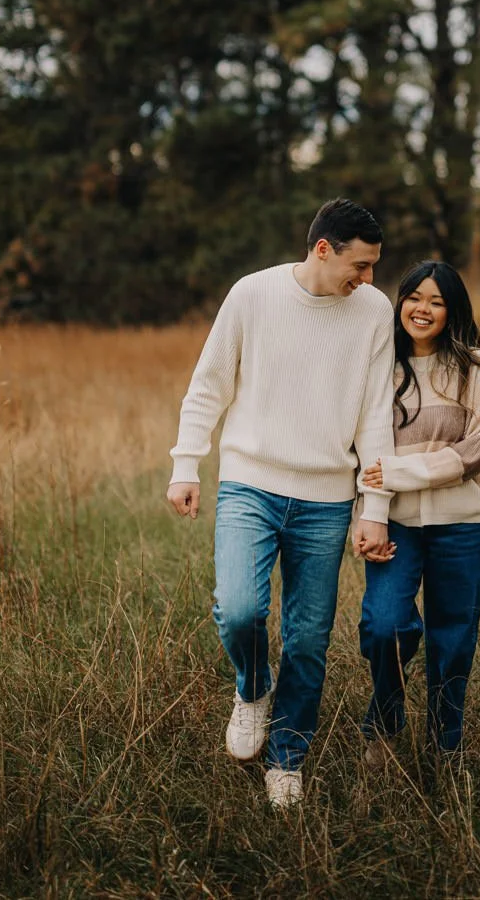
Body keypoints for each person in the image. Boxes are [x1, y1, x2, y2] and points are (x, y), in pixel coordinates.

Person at [166, 198, 395, 811]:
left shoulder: (374, 312)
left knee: (309, 638)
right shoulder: (252, 295)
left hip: (326, 498)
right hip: (250, 481)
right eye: (362, 264)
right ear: (324, 248)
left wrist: (374, 504)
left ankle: (287, 757)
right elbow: (209, 383)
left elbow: (376, 414)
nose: (370, 279)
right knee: (239, 609)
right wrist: (186, 463)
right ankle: (253, 689)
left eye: (375, 267)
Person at [358, 260, 480, 766]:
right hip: (396, 525)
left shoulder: (475, 369)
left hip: (462, 526)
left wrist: (399, 473)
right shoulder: (380, 370)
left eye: (436, 301)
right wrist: (370, 507)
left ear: (452, 310)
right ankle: (387, 714)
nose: (422, 309)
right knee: (384, 626)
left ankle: (445, 740)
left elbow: (478, 452)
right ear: (400, 303)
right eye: (414, 297)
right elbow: (362, 450)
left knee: (454, 639)